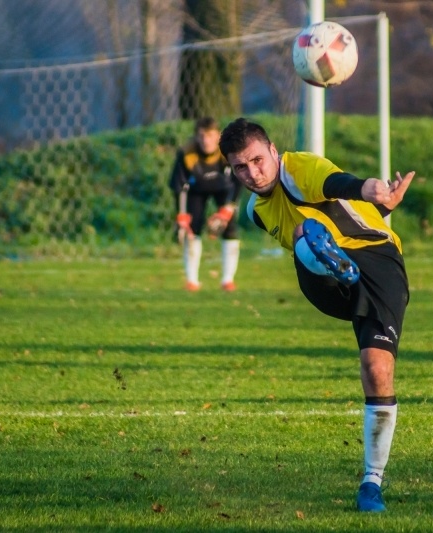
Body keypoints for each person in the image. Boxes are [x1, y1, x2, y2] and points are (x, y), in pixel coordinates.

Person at [218, 118, 415, 512]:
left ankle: (371, 483)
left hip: (377, 263)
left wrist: (372, 191)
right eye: (241, 167)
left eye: (257, 160)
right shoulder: (257, 211)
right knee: (303, 233)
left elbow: (338, 183)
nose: (252, 174)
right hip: (325, 284)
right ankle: (328, 260)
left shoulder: (299, 168)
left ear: (273, 151)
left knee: (377, 369)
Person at [169, 117, 242, 291]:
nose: (206, 140)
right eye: (201, 135)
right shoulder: (187, 153)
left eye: (210, 135)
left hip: (223, 189)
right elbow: (178, 185)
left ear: (218, 136)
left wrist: (229, 206)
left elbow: (239, 178)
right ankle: (192, 280)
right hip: (196, 190)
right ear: (196, 136)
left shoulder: (227, 151)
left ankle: (227, 280)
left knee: (229, 228)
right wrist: (181, 214)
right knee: (192, 230)